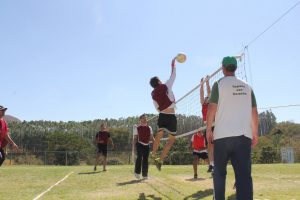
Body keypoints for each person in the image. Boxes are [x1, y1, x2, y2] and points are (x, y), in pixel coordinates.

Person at [206, 56, 259, 200]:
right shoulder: (248, 87)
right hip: (243, 137)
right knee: (244, 177)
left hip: (222, 136)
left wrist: (208, 130)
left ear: (223, 68)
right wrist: (255, 133)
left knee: (219, 174)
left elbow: (211, 109)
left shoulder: (219, 84)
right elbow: (254, 112)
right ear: (235, 68)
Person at [149, 57, 177, 171]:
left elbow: (157, 108)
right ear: (159, 81)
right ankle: (160, 160)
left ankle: (153, 155)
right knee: (171, 141)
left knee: (159, 136)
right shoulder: (166, 85)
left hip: (162, 115)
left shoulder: (153, 94)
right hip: (171, 116)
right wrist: (173, 64)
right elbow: (173, 75)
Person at [133, 114, 155, 179]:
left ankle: (145, 175)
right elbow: (135, 138)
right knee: (139, 158)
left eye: (146, 118)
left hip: (147, 145)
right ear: (140, 120)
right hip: (139, 144)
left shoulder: (149, 128)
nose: (145, 119)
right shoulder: (137, 128)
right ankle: (137, 173)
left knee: (145, 160)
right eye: (143, 118)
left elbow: (152, 137)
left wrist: (155, 143)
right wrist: (134, 147)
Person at [200, 76, 214, 173]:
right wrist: (201, 85)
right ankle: (211, 164)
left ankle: (215, 164)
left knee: (215, 146)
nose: (205, 98)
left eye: (207, 97)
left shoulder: (211, 103)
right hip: (207, 126)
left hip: (215, 124)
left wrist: (207, 82)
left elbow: (209, 92)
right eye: (205, 98)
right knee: (209, 146)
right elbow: (202, 94)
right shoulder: (203, 104)